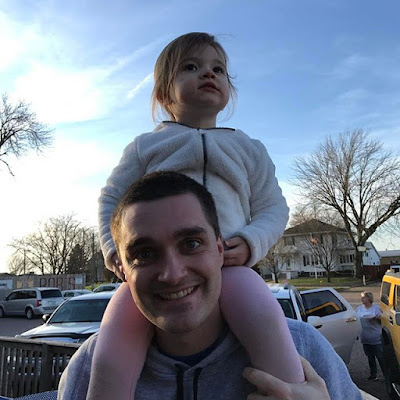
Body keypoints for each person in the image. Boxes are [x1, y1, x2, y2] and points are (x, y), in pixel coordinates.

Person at [90, 32, 302, 399]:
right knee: (118, 323)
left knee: (259, 307)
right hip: (157, 268)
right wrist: (115, 251)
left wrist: (251, 241)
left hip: (230, 267)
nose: (209, 74)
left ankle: (292, 391)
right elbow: (111, 200)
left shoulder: (248, 149)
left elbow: (273, 207)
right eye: (191, 67)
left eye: (219, 69)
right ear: (164, 94)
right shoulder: (146, 146)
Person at [59, 171, 362, 399]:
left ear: (220, 249)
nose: (173, 275)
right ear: (122, 269)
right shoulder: (89, 368)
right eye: (144, 254)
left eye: (191, 243)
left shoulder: (303, 348)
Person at [356, 291, 386, 381]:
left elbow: (383, 320)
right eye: (361, 297)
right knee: (370, 357)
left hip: (376, 338)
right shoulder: (359, 309)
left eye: (364, 297)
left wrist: (376, 319)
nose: (362, 299)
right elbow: (356, 319)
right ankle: (373, 374)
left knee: (381, 357)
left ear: (369, 298)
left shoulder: (376, 308)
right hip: (365, 338)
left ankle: (386, 375)